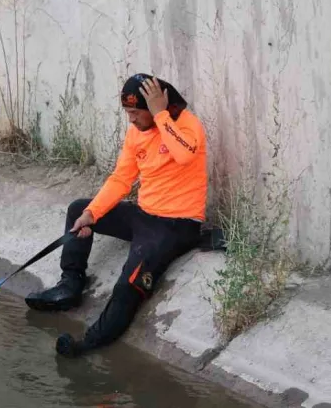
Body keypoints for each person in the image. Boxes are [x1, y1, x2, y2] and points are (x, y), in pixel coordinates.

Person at [26, 74, 208, 358]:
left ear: (155, 106)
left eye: (136, 113)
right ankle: (70, 286)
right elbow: (121, 179)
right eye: (128, 113)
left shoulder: (186, 124)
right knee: (78, 209)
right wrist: (91, 214)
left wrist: (161, 115)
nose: (131, 120)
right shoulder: (136, 133)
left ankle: (88, 342)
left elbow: (184, 156)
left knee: (129, 281)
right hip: (144, 214)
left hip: (176, 225)